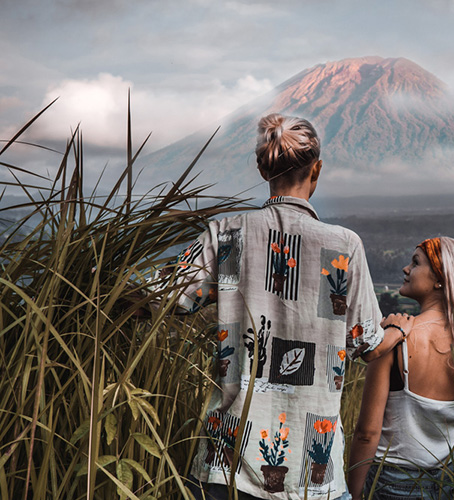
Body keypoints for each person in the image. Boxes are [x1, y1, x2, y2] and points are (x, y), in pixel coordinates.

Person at [152, 113, 409, 500]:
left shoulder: (226, 233)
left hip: (228, 463)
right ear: (317, 168)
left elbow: (164, 296)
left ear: (261, 168)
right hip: (313, 473)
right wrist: (401, 329)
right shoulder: (344, 244)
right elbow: (367, 344)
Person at [348, 237, 454, 500]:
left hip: (393, 481)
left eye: (415, 262)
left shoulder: (394, 339)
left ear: (440, 279)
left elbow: (367, 434)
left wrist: (353, 494)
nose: (406, 269)